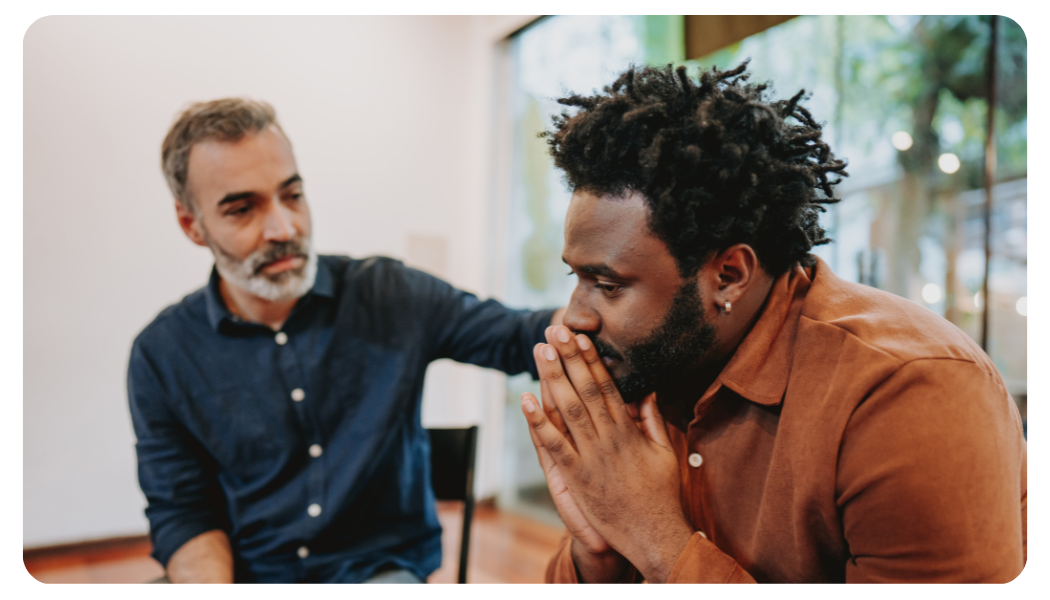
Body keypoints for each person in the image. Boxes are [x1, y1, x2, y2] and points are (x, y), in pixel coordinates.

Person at [520, 62, 1025, 590]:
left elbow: (650, 535)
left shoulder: (908, 392)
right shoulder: (656, 367)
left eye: (607, 284)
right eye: (577, 277)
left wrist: (654, 537)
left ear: (729, 276)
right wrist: (596, 556)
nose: (574, 316)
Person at [129, 98, 562, 586]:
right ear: (192, 224)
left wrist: (612, 299)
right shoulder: (162, 354)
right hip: (257, 580)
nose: (284, 228)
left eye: (292, 195)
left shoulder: (388, 294)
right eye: (242, 209)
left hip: (377, 571)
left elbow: (521, 335)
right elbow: (183, 509)